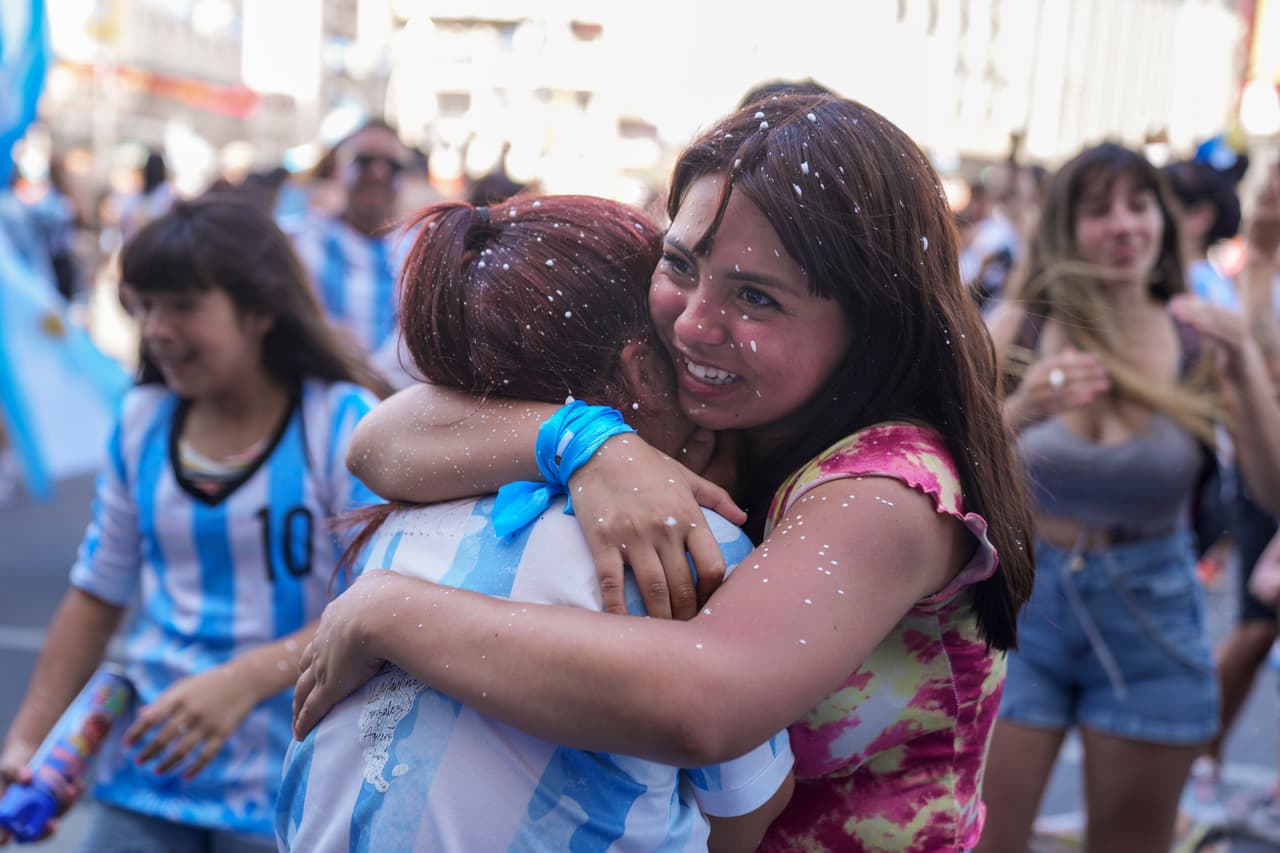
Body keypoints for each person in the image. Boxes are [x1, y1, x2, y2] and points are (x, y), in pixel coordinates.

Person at [294, 93, 1037, 851]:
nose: (692, 321)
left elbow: (702, 700)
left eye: (755, 297)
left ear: (872, 322)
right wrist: (580, 439)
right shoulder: (741, 410)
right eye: (681, 264)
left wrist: (389, 612)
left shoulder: (889, 488)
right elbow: (381, 439)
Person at [277, 194, 794, 852]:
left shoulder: (409, 515)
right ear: (642, 370)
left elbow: (376, 441)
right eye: (686, 349)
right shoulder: (689, 543)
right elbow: (747, 818)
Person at [0, 192, 384, 851]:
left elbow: (381, 605)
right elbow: (96, 594)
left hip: (290, 789)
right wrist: (29, 740)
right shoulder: (143, 419)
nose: (156, 329)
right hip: (143, 778)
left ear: (260, 309)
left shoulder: (341, 421)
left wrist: (245, 677)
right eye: (144, 305)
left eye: (182, 305)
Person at [978, 143, 1280, 853]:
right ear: (1064, 227)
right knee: (984, 841)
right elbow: (946, 473)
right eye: (1097, 210)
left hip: (1152, 609)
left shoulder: (1198, 333)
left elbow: (1270, 490)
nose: (1123, 226)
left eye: (1138, 205)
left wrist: (1244, 362)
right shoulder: (1020, 324)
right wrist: (1020, 409)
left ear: (1163, 220)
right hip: (1024, 609)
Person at [1164, 152, 1280, 820]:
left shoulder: (1229, 280)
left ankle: (1193, 765)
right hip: (1257, 482)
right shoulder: (1242, 274)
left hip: (1260, 476)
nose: (1267, 197)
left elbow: (1259, 360)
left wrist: (1261, 260)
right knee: (1257, 624)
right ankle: (1196, 766)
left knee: (1257, 625)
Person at [285, 120, 414, 388]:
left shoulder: (421, 253)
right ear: (337, 169)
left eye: (393, 165)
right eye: (364, 160)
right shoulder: (299, 243)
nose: (378, 173)